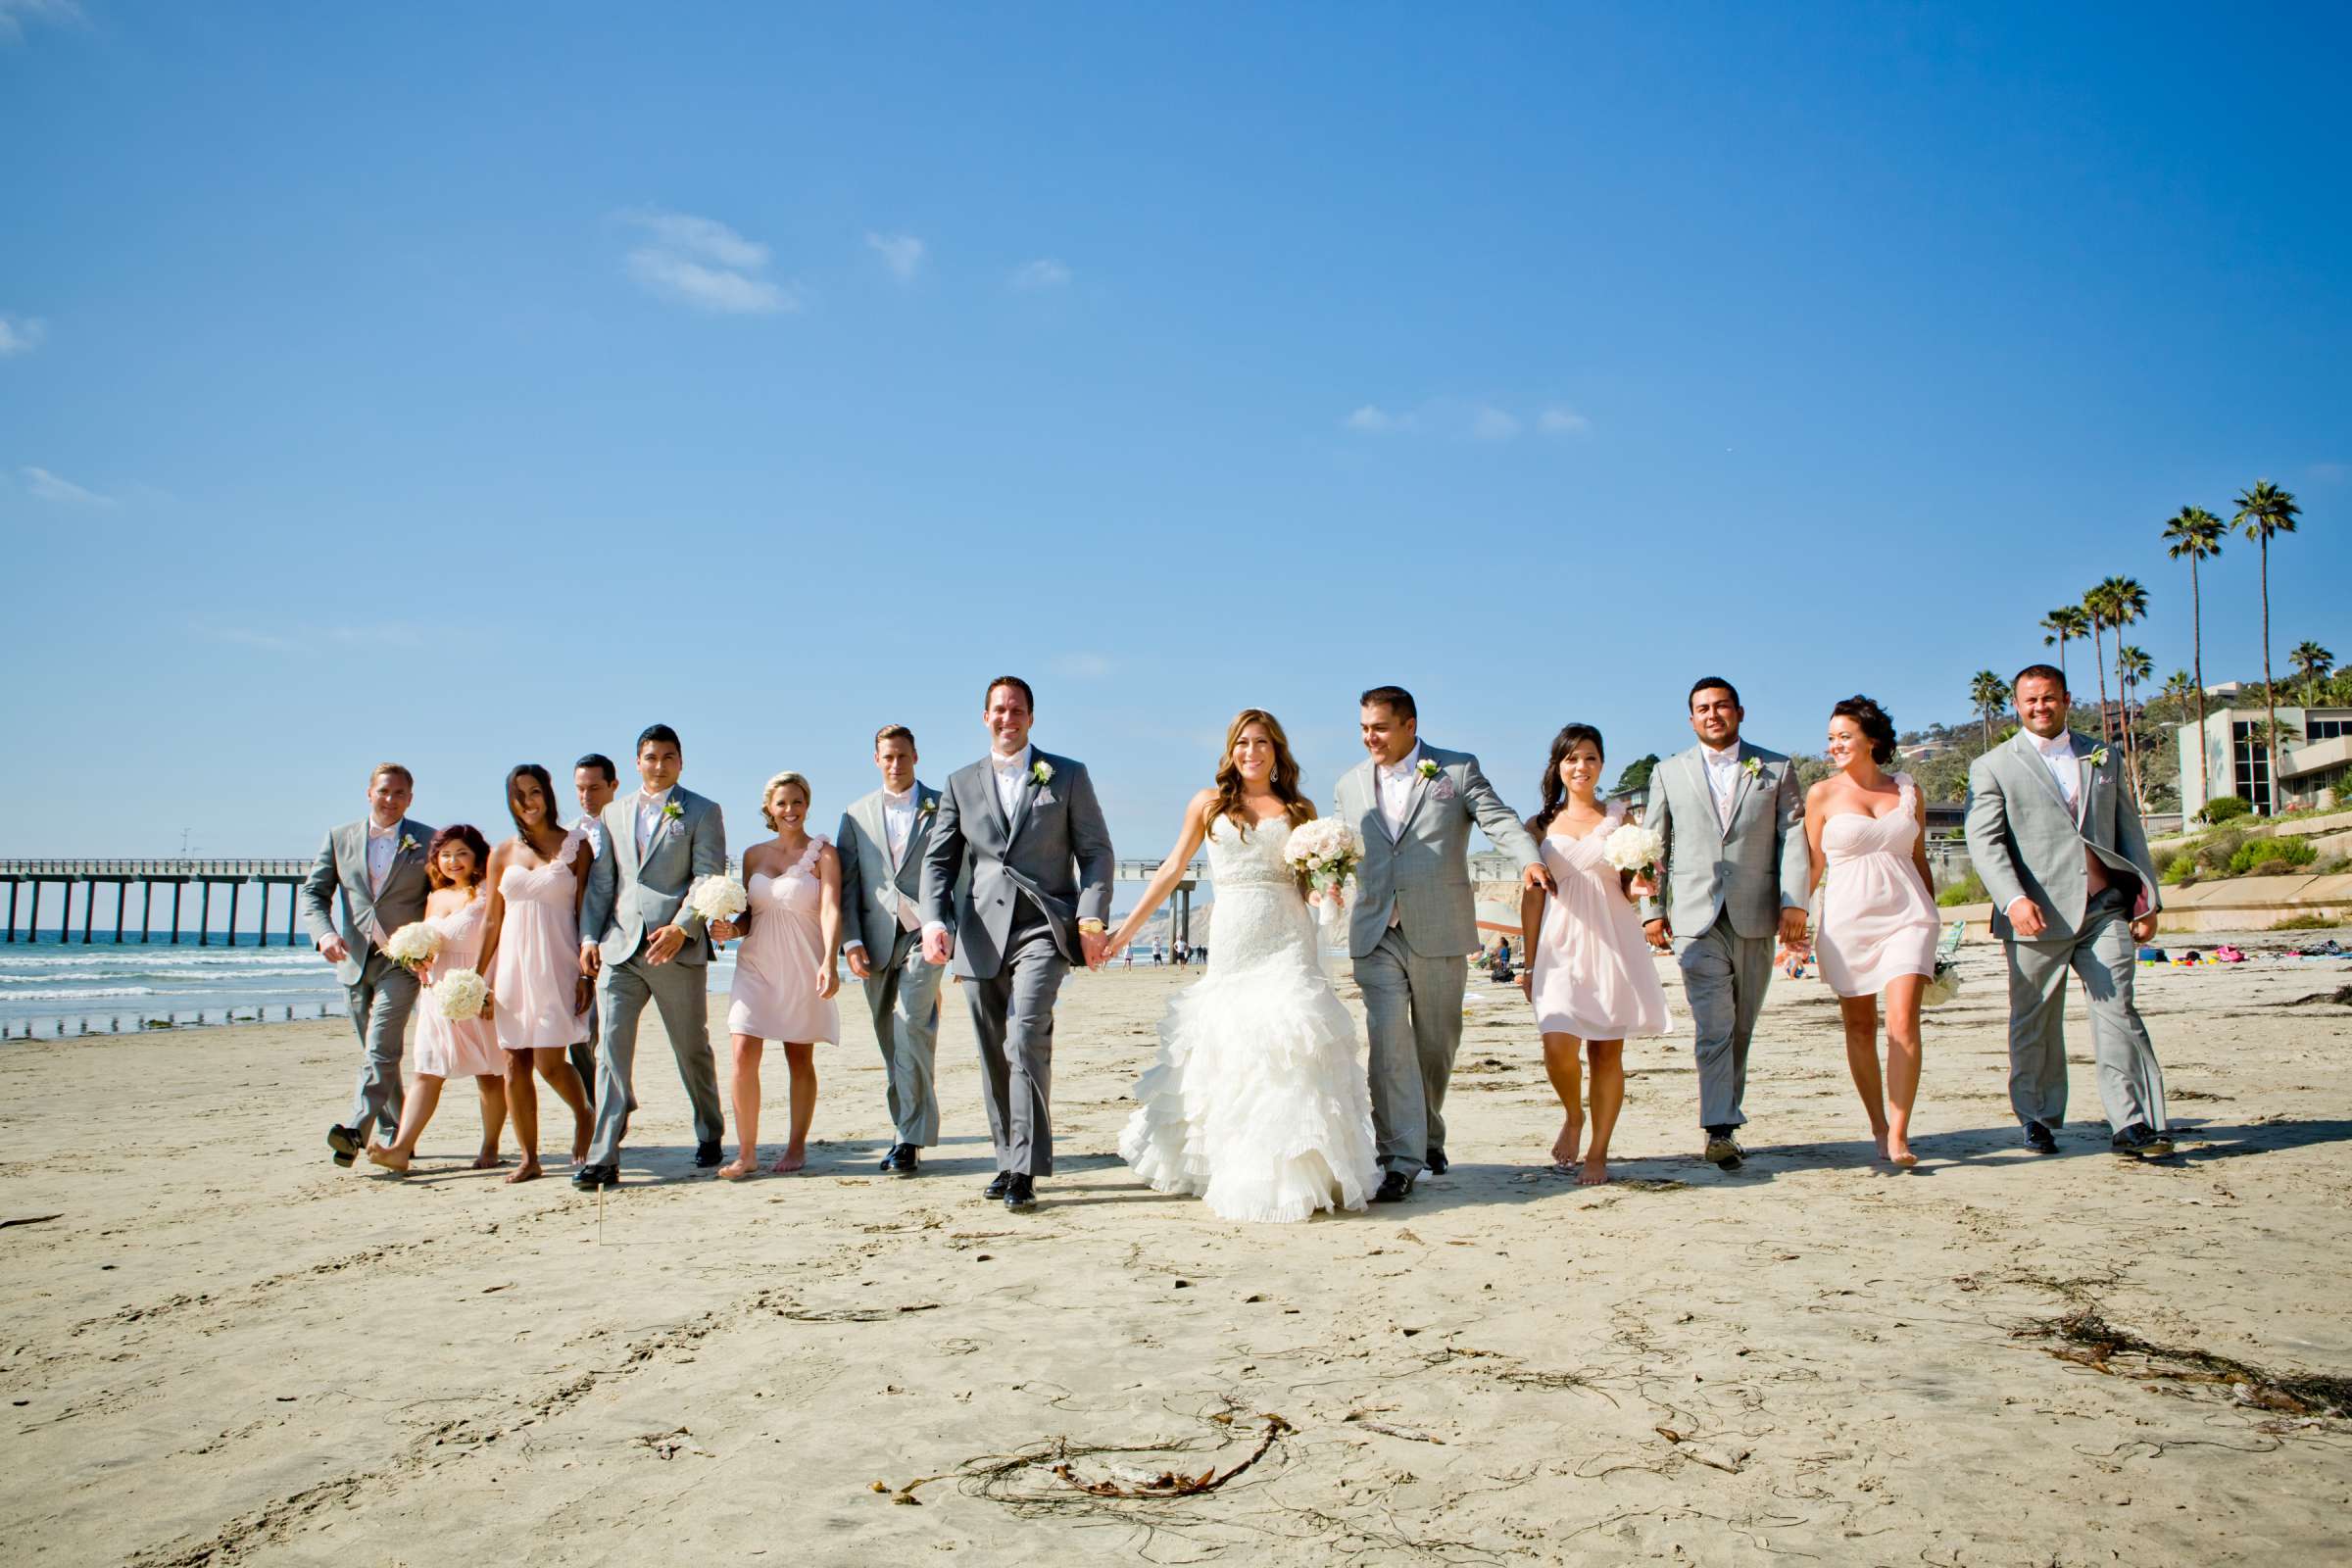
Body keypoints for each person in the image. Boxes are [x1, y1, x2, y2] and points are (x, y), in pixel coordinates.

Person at [1112, 710, 1378, 1221]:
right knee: (1232, 1041)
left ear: (1277, 751)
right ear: (1231, 750)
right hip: (1235, 936)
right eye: (1242, 743)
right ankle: (1234, 1163)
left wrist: (1329, 882)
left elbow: (1306, 884)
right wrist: (1123, 932)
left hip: (1288, 937)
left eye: (1261, 743)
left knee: (1293, 1038)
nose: (1251, 752)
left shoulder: (1300, 809)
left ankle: (1300, 1169)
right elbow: (1171, 870)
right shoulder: (1208, 804)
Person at [1335, 685, 1547, 1201]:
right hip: (1375, 928)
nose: (1370, 738)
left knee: (1436, 1043)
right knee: (1388, 1043)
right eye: (1364, 728)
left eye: (1380, 727)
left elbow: (1498, 818)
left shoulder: (1456, 770)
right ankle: (1399, 1159)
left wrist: (1527, 859)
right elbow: (1345, 846)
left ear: (1410, 725)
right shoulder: (1348, 783)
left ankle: (1428, 1130)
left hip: (1440, 926)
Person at [919, 676, 1116, 1212]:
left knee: (1025, 1036)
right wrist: (934, 920)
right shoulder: (960, 782)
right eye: (999, 710)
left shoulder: (1067, 775)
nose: (1009, 718)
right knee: (992, 1053)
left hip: (1044, 929)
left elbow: (1096, 852)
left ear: (1031, 717)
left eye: (1018, 710)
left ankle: (1025, 1168)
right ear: (985, 717)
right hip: (981, 934)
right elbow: (938, 861)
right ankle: (1006, 1158)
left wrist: (1091, 920)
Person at [1964, 664, 2171, 1158]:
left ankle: (2133, 1122)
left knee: (2118, 1010)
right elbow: (1985, 842)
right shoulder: (1993, 765)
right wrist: (2012, 900)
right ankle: (2037, 1117)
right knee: (2034, 1021)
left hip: (2104, 909)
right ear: (2017, 705)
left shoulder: (2102, 755)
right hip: (2035, 914)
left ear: (2066, 699)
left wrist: (2146, 898)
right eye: (2031, 700)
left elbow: (2128, 830)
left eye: (2050, 698)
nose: (2041, 707)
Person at [1639, 678, 1809, 1171]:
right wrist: (1652, 910)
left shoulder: (1775, 768)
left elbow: (1792, 837)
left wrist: (1794, 902)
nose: (1712, 715)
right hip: (1694, 917)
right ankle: (1719, 1128)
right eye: (1702, 709)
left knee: (1741, 1024)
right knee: (1714, 1024)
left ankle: (1726, 1117)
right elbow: (1653, 844)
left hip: (1756, 913)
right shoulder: (1668, 772)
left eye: (1721, 706)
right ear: (1690, 719)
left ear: (1739, 712)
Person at [573, 724, 727, 1191]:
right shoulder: (613, 812)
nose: (658, 765)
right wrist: (587, 937)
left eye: (667, 757)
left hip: (674, 949)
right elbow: (604, 881)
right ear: (637, 762)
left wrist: (683, 929)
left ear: (680, 762)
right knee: (611, 1055)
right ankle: (604, 1155)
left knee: (691, 1048)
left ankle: (710, 1130)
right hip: (620, 949)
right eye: (649, 757)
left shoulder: (702, 810)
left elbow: (707, 877)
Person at [1519, 724, 1671, 1186]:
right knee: (1556, 1042)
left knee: (1607, 1053)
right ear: (1558, 766)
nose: (1580, 767)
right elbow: (1531, 897)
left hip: (1612, 938)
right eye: (1571, 759)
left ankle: (1598, 1152)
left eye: (1589, 758)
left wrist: (1645, 875)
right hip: (1559, 943)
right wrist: (1527, 962)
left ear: (1601, 764)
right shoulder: (1539, 825)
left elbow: (1630, 887)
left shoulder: (1622, 819)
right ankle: (1573, 1114)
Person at [1806, 697, 1938, 1167]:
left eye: (1845, 736)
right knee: (1860, 1027)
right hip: (1846, 920)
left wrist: (1937, 922)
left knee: (1902, 1023)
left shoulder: (1908, 792)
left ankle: (1901, 1134)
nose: (1835, 745)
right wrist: (1794, 918)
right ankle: (1878, 1126)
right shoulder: (1821, 795)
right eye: (1831, 738)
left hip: (1909, 916)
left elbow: (1920, 860)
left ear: (1872, 740)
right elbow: (1813, 866)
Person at [302, 763, 436, 1168]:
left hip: (402, 961)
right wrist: (324, 934)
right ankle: (396, 1132)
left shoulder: (427, 840)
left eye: (399, 794)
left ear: (410, 799)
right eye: (384, 792)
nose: (390, 800)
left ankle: (356, 1130)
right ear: (369, 793)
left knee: (381, 1047)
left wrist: (429, 944)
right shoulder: (338, 837)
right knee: (378, 1052)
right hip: (353, 959)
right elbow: (314, 894)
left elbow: (442, 892)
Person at [713, 772, 842, 1178]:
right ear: (769, 807)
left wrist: (830, 961)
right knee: (741, 1051)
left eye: (798, 802)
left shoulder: (824, 855)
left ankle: (796, 1146)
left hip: (802, 962)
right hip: (754, 964)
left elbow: (831, 909)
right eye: (782, 803)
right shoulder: (753, 855)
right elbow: (750, 915)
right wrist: (730, 929)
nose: (791, 810)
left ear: (807, 805)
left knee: (798, 1057)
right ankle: (746, 1152)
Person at [836, 725, 946, 1177]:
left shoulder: (942, 805)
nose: (896, 764)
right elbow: (847, 883)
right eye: (887, 757)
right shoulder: (855, 814)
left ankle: (909, 1137)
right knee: (888, 1036)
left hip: (927, 934)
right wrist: (852, 940)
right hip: (877, 939)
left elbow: (959, 872)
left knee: (911, 1027)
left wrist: (954, 934)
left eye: (903, 756)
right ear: (876, 760)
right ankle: (905, 1124)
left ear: (916, 756)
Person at [367, 825, 509, 1174]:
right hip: (436, 995)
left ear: (477, 855)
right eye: (445, 855)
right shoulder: (436, 896)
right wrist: (416, 957)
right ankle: (400, 1148)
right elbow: (431, 941)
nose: (453, 861)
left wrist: (490, 990)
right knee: (427, 1071)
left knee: (490, 1074)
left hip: (478, 987)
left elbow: (504, 943)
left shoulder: (490, 892)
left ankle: (490, 1146)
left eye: (461, 853)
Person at [484, 763, 596, 1183]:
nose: (527, 802)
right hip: (511, 968)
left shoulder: (575, 846)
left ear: (548, 795)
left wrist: (586, 974)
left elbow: (586, 908)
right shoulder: (502, 853)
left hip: (558, 961)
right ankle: (529, 1158)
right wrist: (478, 978)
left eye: (534, 792)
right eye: (519, 795)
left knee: (550, 1062)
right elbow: (492, 922)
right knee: (514, 1062)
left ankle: (584, 1114)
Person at [568, 753, 619, 1094]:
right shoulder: (567, 835)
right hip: (575, 941)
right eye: (580, 789)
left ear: (613, 786)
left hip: (620, 937)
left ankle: (611, 1106)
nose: (587, 796)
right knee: (577, 1032)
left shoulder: (628, 827)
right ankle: (598, 1103)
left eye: (595, 788)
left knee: (609, 1032)